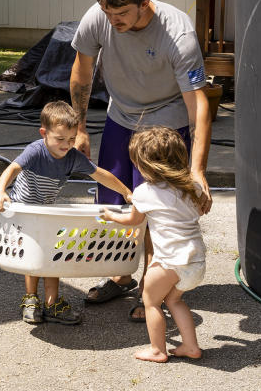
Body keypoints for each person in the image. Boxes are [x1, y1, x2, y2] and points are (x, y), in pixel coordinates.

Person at [69, 0, 212, 321]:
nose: (112, 20)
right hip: (121, 112)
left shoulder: (177, 34)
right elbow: (82, 70)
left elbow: (198, 103)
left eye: (121, 13)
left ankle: (154, 284)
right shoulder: (98, 16)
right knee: (114, 198)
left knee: (158, 208)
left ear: (144, 4)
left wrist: (197, 170)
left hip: (166, 119)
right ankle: (121, 275)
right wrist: (80, 127)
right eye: (107, 11)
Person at [0, 100, 133, 326]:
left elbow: (100, 174)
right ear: (44, 133)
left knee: (52, 255)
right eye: (60, 139)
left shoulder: (72, 157)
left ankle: (52, 302)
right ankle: (30, 300)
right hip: (24, 211)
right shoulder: (35, 151)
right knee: (33, 256)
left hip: (46, 211)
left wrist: (126, 192)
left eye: (72, 139)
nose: (66, 145)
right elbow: (12, 168)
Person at [100, 127, 206, 362]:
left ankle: (158, 350)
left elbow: (133, 220)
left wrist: (111, 216)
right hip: (196, 261)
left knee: (151, 301)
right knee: (174, 300)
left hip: (170, 261)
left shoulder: (145, 192)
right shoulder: (192, 187)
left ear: (146, 165)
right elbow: (199, 209)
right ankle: (190, 346)